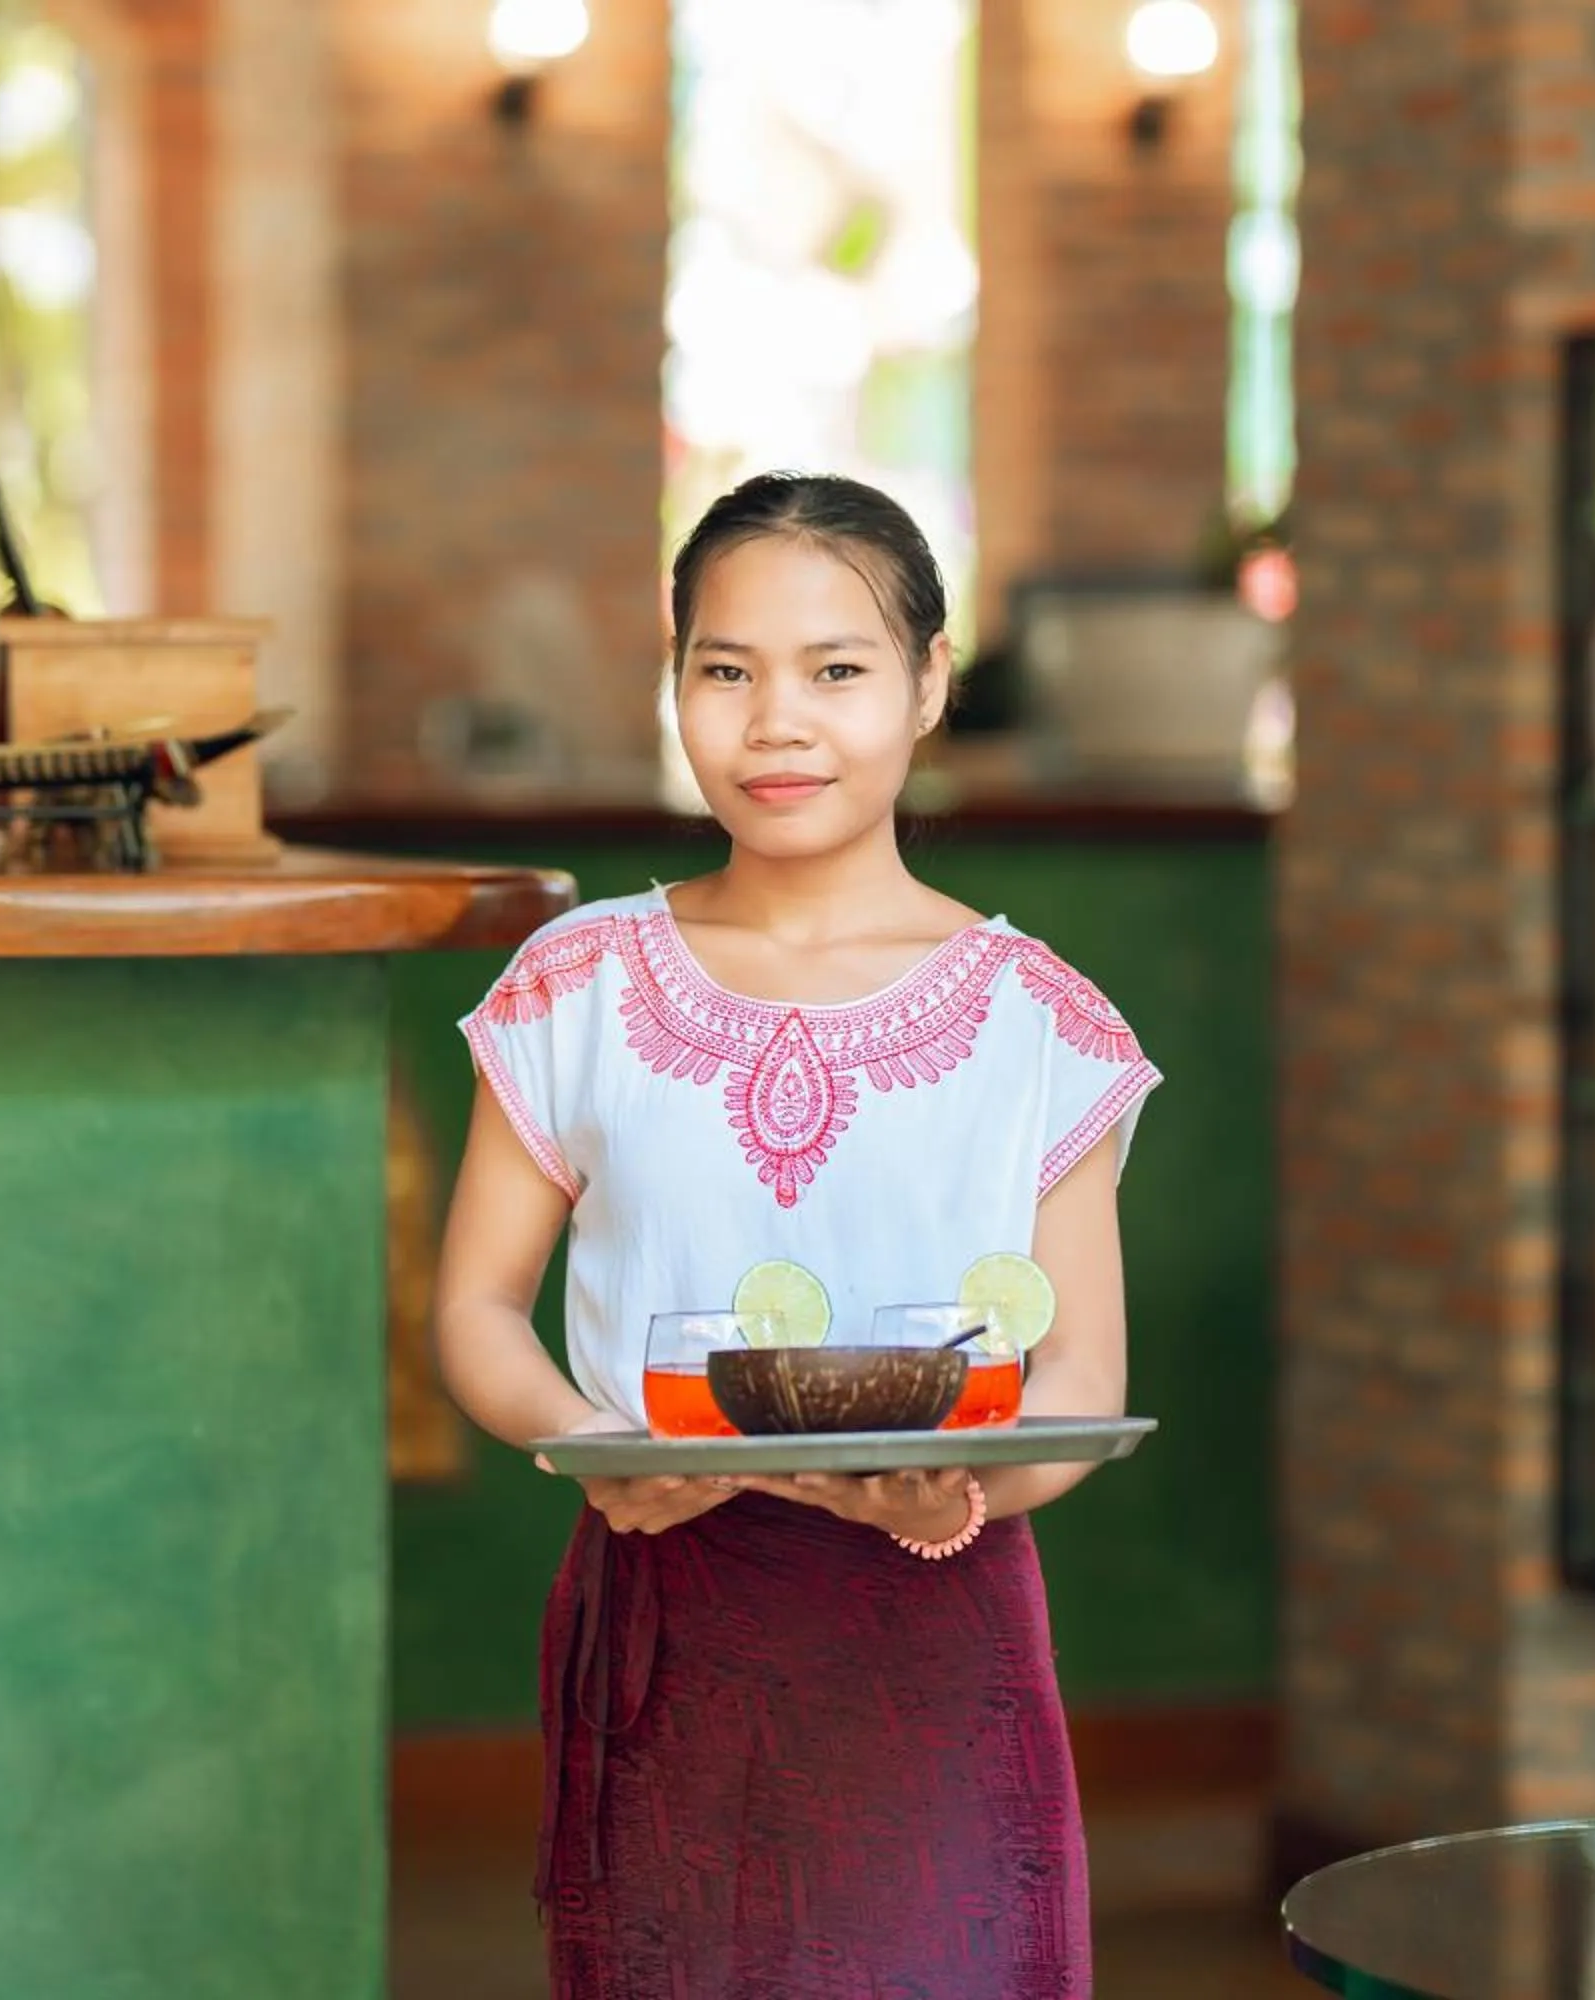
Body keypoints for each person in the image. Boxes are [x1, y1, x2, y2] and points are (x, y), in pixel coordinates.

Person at [433, 471, 1160, 1998]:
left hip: (940, 1635)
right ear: (675, 683)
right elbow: (479, 1310)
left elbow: (1086, 1375)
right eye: (727, 670)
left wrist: (965, 1488)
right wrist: (590, 1446)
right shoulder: (577, 987)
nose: (777, 723)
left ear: (929, 684)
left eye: (836, 670)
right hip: (668, 1624)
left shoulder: (1042, 1024)